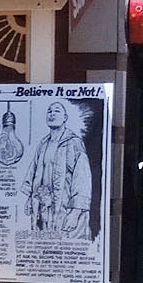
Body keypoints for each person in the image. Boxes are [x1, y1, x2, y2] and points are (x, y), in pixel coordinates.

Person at [22, 99, 92, 238]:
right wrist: (30, 198)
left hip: (67, 212)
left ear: (65, 118)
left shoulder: (74, 143)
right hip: (45, 212)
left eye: (57, 111)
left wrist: (76, 212)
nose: (52, 114)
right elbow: (34, 173)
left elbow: (83, 178)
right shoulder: (43, 144)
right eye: (49, 111)